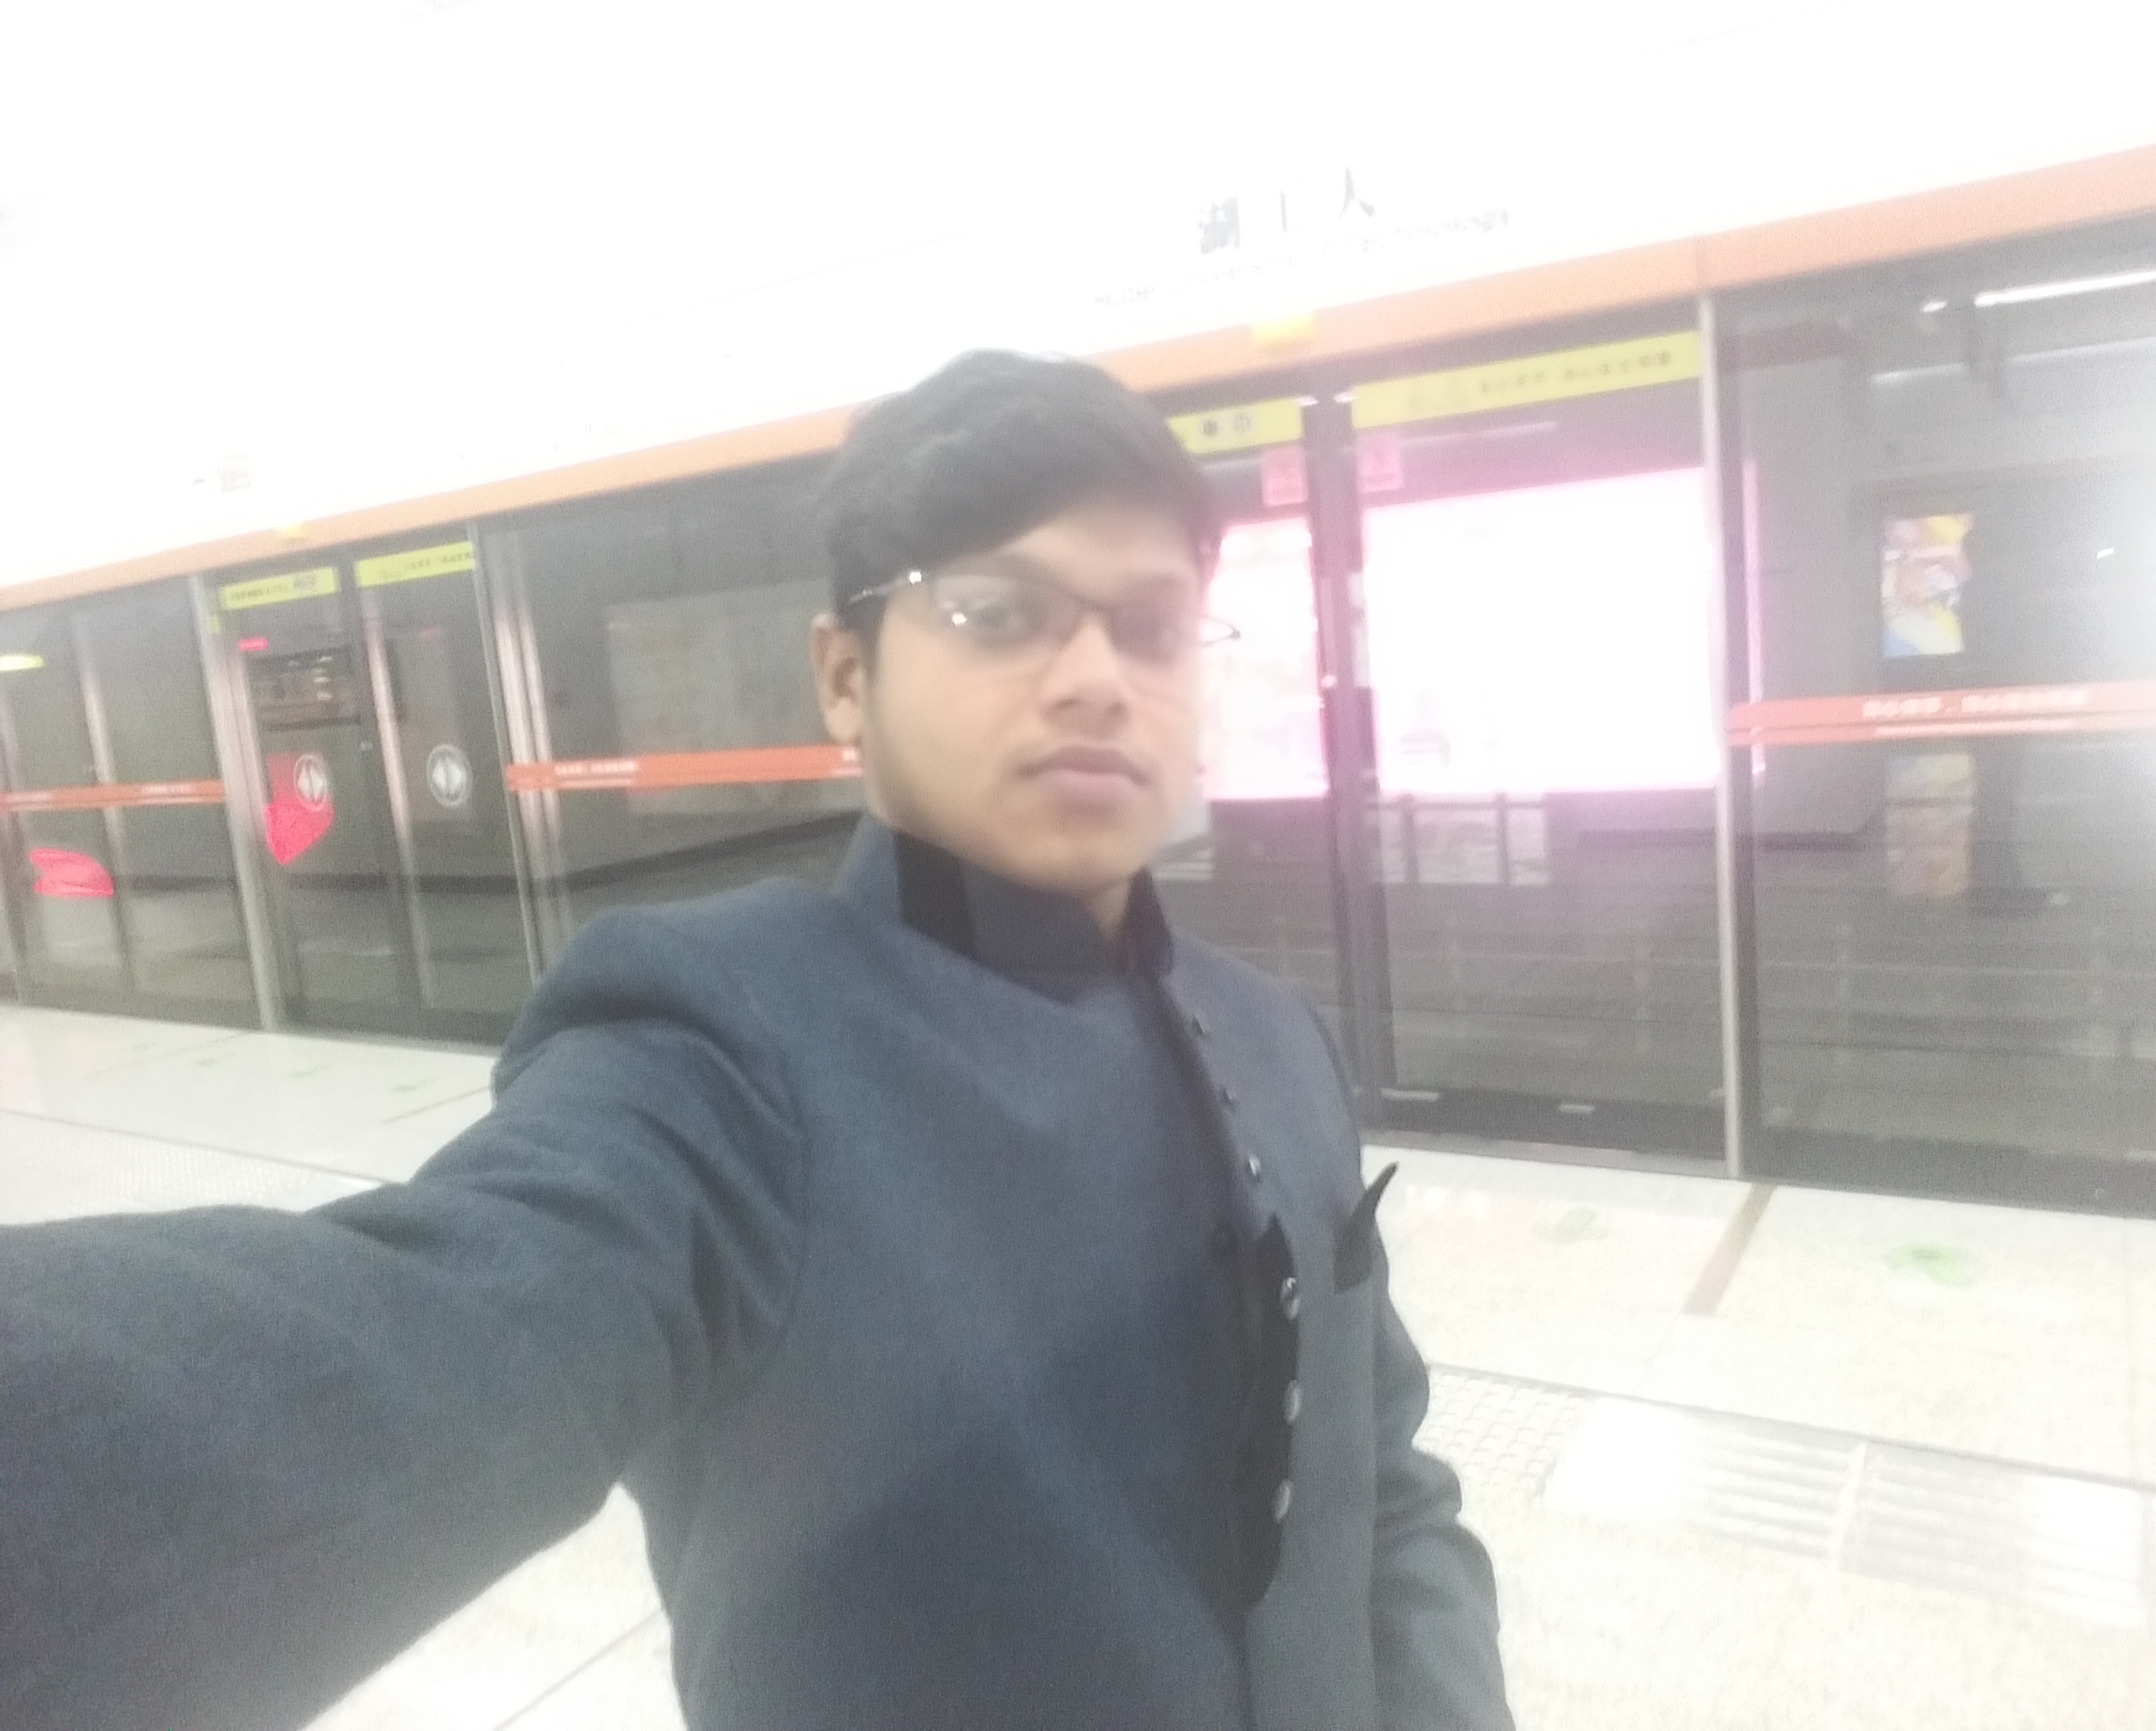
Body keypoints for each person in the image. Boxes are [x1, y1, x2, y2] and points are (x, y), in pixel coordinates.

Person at [0, 351, 1511, 1731]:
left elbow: (1385, 1482)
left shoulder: (1273, 1034)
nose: (1095, 678)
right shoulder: (729, 1047)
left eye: (1153, 626)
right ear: (844, 674)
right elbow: (446, 1321)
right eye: (997, 613)